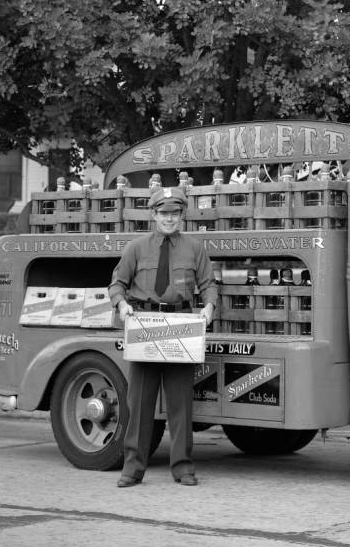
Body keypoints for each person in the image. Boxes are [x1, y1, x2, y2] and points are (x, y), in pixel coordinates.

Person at [109, 186, 217, 488]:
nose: (169, 219)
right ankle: (132, 469)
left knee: (180, 404)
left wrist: (209, 306)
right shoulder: (136, 248)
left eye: (175, 213)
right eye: (164, 213)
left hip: (180, 328)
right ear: (154, 215)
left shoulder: (194, 249)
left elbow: (208, 284)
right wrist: (122, 305)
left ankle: (183, 467)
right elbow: (117, 284)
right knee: (139, 404)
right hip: (145, 327)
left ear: (182, 215)